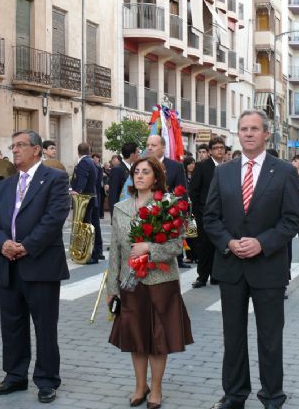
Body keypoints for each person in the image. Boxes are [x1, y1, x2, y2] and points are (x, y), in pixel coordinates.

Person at [203, 110, 299, 409]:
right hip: (231, 267)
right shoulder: (223, 172)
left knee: (270, 339)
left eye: (254, 129)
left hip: (268, 268)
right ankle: (234, 394)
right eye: (243, 129)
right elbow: (210, 217)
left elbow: (293, 220)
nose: (248, 133)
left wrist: (261, 243)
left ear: (266, 134)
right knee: (232, 337)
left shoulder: (284, 171)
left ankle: (272, 396)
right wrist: (229, 242)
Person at [0, 130, 70, 404]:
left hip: (40, 264)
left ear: (36, 149)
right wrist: (2, 244)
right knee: (12, 324)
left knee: (45, 326)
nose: (15, 150)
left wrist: (26, 246)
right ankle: (15, 375)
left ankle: (46, 380)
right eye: (13, 146)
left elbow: (54, 218)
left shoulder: (55, 178)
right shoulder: (7, 184)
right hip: (9, 265)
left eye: (20, 145)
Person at [107, 156, 193, 409]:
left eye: (146, 172)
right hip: (131, 282)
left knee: (159, 338)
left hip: (161, 281)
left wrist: (149, 249)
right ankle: (139, 386)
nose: (140, 175)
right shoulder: (121, 208)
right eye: (136, 171)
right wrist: (113, 288)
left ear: (156, 177)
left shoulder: (169, 205)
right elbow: (115, 251)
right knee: (136, 336)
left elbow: (178, 245)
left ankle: (156, 389)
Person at [146, 134, 188, 269]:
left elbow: (182, 193)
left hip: (168, 219)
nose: (150, 148)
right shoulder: (141, 165)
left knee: (166, 263)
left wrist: (180, 218)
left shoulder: (175, 167)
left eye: (153, 145)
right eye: (147, 145)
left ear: (163, 148)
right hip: (145, 218)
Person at [189, 136, 226, 288]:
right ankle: (202, 276)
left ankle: (216, 275)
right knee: (204, 245)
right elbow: (194, 190)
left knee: (220, 246)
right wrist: (199, 211)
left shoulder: (228, 166)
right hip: (204, 213)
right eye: (216, 148)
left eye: (222, 148)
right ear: (210, 151)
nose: (219, 150)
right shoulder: (202, 166)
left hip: (224, 215)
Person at [71, 143, 104, 263]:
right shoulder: (92, 162)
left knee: (86, 227)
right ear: (89, 151)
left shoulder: (84, 162)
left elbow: (82, 178)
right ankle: (98, 252)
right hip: (92, 197)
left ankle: (91, 254)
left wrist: (77, 191)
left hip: (86, 199)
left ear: (78, 151)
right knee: (94, 226)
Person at [108, 142, 139, 217]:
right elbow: (113, 194)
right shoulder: (117, 170)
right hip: (122, 211)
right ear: (132, 155)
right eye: (137, 152)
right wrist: (114, 214)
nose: (139, 154)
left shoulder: (135, 168)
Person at [92, 153, 106, 219]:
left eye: (96, 158)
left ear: (99, 159)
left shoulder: (101, 167)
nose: (95, 160)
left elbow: (101, 178)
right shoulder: (91, 166)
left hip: (100, 186)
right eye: (94, 158)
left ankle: (100, 214)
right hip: (93, 187)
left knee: (100, 200)